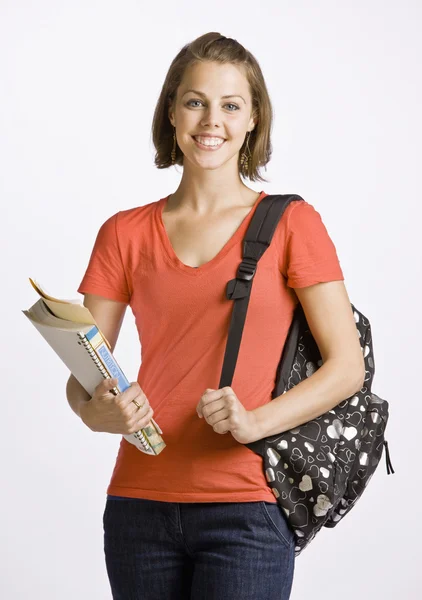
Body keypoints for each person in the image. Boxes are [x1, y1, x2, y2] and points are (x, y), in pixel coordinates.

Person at [66, 32, 365, 600]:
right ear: (172, 111)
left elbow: (346, 366)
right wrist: (97, 414)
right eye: (195, 101)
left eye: (231, 105)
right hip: (138, 503)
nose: (212, 120)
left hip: (247, 509)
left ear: (253, 119)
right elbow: (84, 374)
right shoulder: (123, 233)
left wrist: (255, 422)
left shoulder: (293, 224)